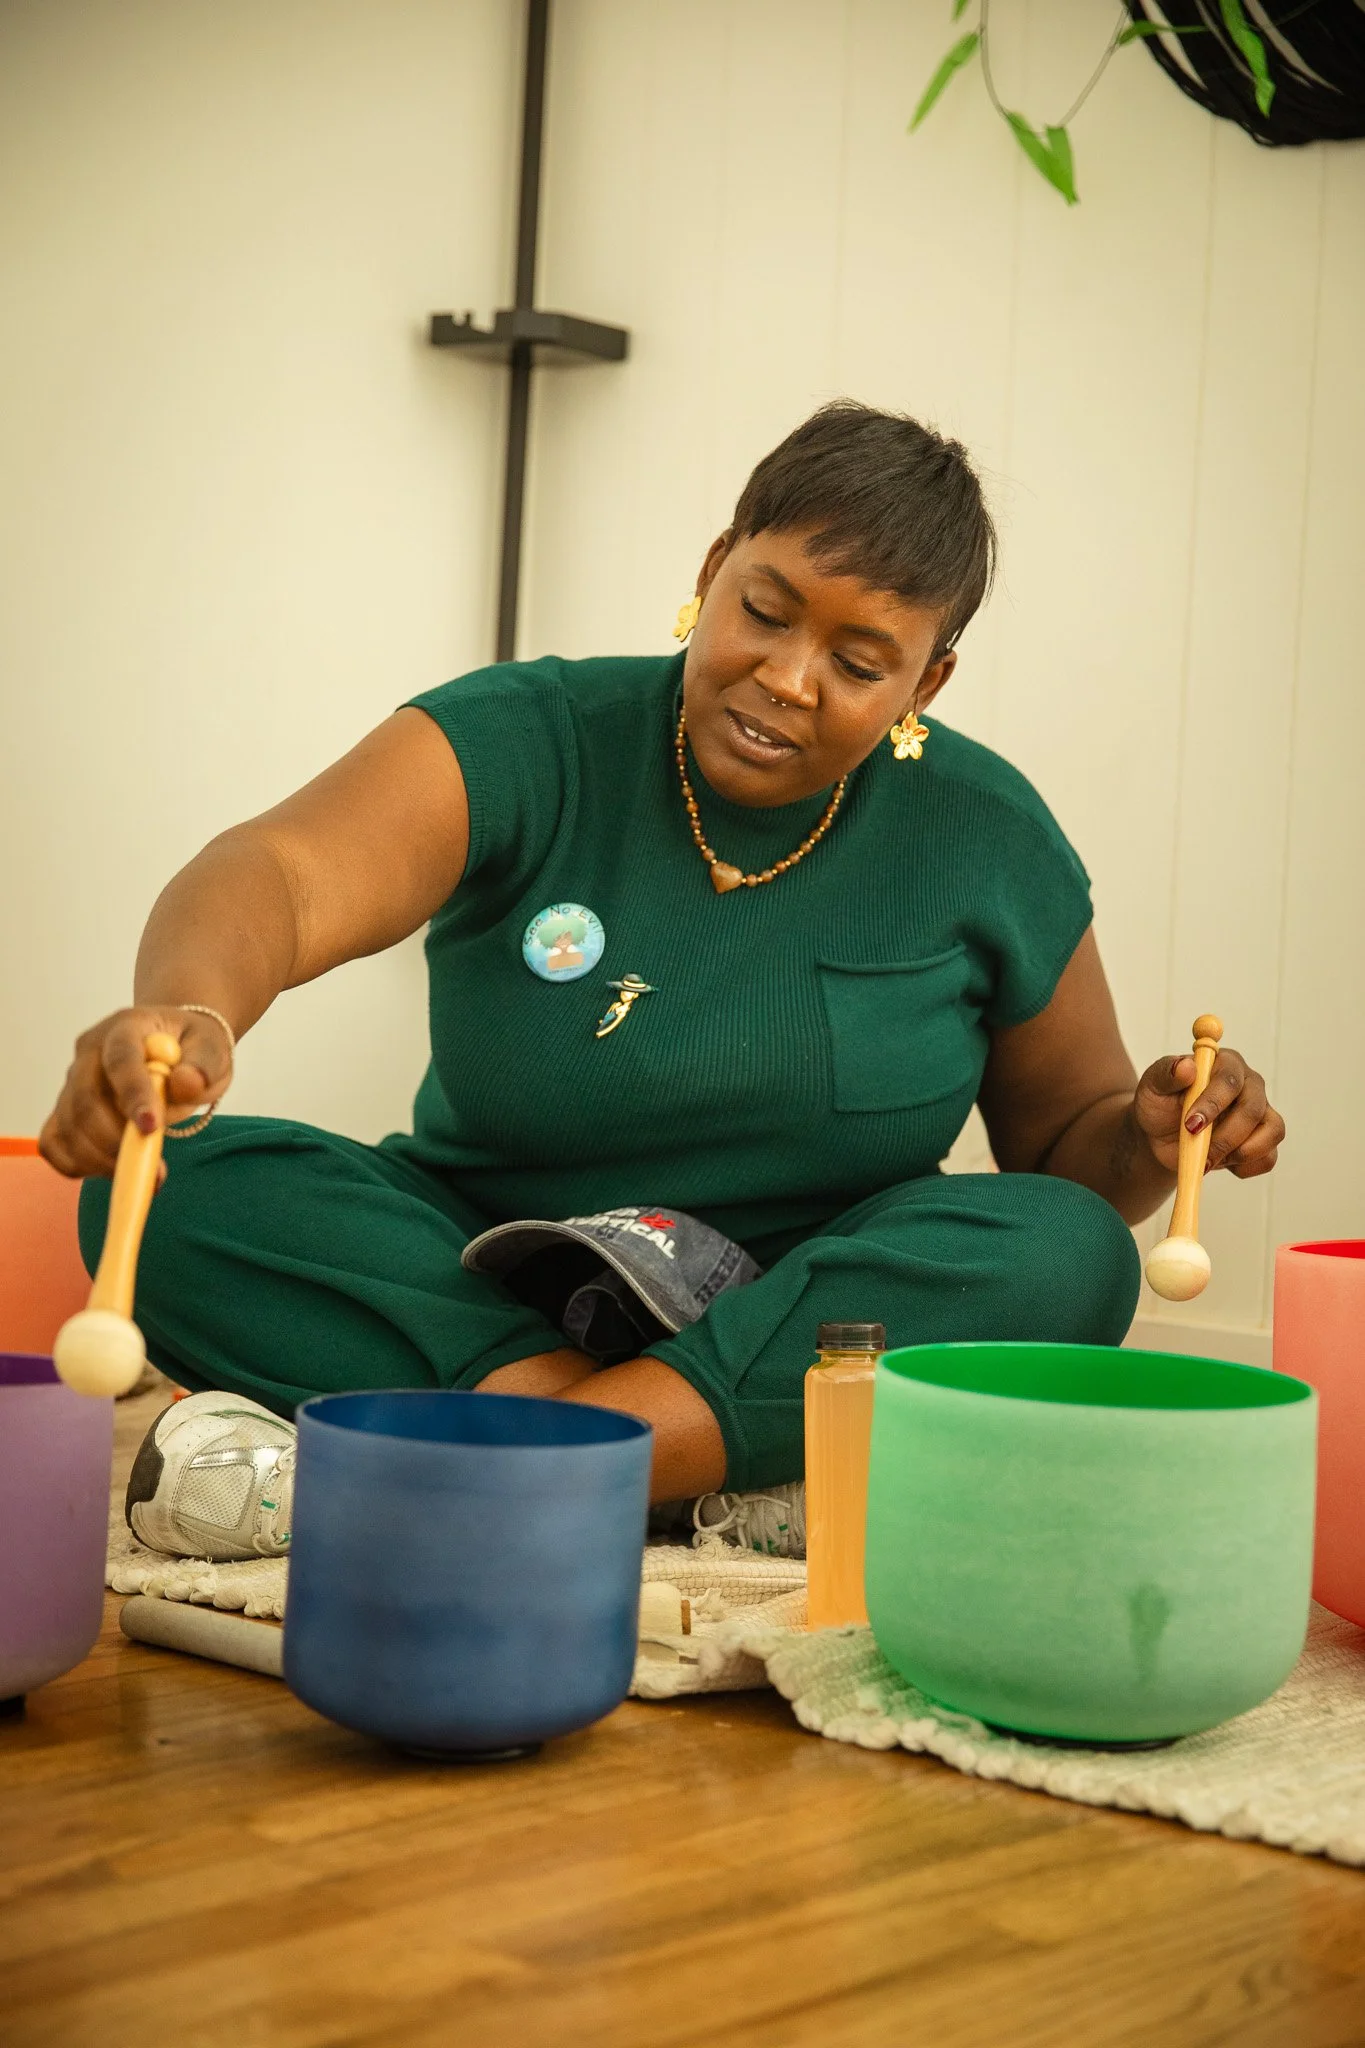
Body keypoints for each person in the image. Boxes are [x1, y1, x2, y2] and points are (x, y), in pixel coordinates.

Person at [42, 403, 1284, 1564]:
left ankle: (506, 1464)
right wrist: (193, 1014)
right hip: (483, 1273)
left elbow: (1069, 1157)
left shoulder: (984, 830)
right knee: (165, 1185)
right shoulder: (537, 734)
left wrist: (1151, 1130)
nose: (790, 677)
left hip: (800, 1298)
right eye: (767, 609)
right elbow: (282, 875)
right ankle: (682, 1473)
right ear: (710, 571)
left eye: (859, 661)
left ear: (927, 684)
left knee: (1067, 1250)